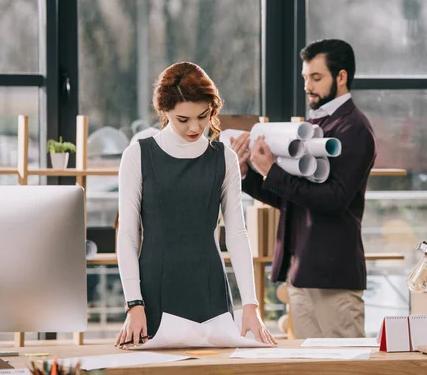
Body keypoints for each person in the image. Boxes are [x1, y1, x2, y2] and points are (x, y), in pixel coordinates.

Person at [115, 61, 276, 348]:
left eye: (203, 116)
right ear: (164, 111)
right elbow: (127, 234)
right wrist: (133, 303)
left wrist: (250, 304)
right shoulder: (137, 155)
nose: (195, 127)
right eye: (183, 119)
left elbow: (237, 234)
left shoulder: (223, 157)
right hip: (154, 292)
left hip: (209, 291)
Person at [231, 39, 376, 338]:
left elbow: (335, 200)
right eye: (305, 77)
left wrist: (272, 170)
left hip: (333, 277)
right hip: (301, 274)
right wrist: (248, 174)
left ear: (342, 77)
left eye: (316, 77)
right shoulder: (319, 124)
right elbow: (291, 199)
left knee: (346, 372)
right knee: (310, 368)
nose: (308, 85)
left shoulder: (355, 129)